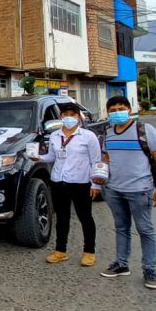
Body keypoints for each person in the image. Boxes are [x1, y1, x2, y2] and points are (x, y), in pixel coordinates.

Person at [99, 96, 156, 290]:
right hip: (114, 189)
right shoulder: (108, 133)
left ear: (129, 110)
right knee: (121, 228)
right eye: (112, 110)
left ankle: (150, 269)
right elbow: (106, 158)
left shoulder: (145, 130)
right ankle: (121, 264)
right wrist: (100, 177)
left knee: (145, 230)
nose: (116, 112)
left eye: (120, 108)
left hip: (140, 190)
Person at [32, 102, 103, 267]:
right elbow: (52, 156)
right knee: (62, 218)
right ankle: (60, 251)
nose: (69, 117)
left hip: (81, 183)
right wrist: (39, 158)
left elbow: (96, 162)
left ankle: (89, 252)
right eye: (65, 114)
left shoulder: (88, 136)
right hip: (58, 182)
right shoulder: (56, 136)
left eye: (73, 114)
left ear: (79, 117)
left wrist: (96, 185)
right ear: (61, 117)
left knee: (85, 218)